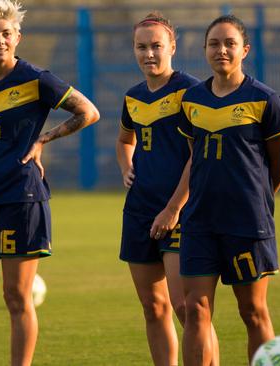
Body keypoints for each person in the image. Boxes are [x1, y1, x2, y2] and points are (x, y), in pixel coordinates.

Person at [0, 1, 100, 365]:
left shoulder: (37, 79)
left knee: (17, 298)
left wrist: (42, 141)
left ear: (17, 37)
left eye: (6, 34)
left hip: (23, 197)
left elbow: (89, 111)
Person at [177, 14, 280, 366]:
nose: (221, 50)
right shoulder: (192, 99)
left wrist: (254, 199)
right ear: (204, 50)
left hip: (246, 222)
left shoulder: (264, 99)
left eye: (229, 43)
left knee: (253, 312)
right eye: (214, 43)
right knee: (194, 309)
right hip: (199, 221)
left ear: (244, 50)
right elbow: (194, 159)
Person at [116, 12, 219, 366]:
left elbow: (198, 157)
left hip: (182, 212)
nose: (149, 54)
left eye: (156, 46)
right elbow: (124, 140)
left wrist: (174, 208)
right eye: (141, 47)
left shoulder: (191, 92)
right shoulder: (132, 97)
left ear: (172, 47)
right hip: (139, 209)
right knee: (153, 306)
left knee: (188, 308)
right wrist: (126, 167)